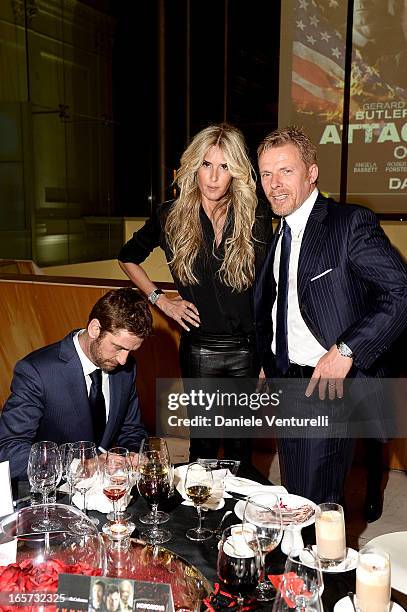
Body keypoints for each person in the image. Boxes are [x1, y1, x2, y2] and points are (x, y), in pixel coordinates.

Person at [254, 126, 407, 504]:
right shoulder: (280, 232)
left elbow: (401, 291)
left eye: (285, 171)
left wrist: (347, 349)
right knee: (294, 493)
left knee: (316, 501)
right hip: (286, 380)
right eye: (267, 174)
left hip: (327, 386)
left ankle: (317, 563)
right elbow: (282, 304)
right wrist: (270, 360)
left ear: (311, 172)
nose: (274, 184)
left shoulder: (348, 223)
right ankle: (300, 563)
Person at [119, 123, 272, 463]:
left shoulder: (255, 214)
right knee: (202, 447)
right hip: (199, 348)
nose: (214, 177)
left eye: (224, 166)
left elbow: (268, 291)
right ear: (194, 166)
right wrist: (161, 301)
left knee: (239, 450)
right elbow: (128, 257)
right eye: (207, 164)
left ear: (236, 172)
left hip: (248, 351)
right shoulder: (170, 216)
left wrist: (267, 359)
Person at [0, 288, 152, 480]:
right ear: (95, 329)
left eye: (131, 351)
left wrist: (131, 455)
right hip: (53, 492)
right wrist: (82, 464)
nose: (123, 360)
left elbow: (132, 430)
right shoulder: (36, 371)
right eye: (119, 347)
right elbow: (8, 451)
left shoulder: (126, 368)